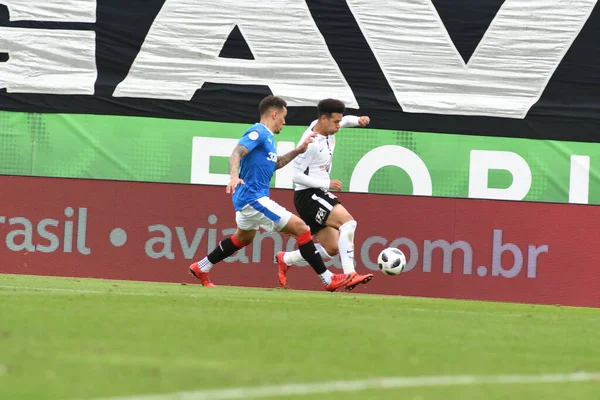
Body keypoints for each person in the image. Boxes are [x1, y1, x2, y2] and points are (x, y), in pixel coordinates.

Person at [189, 95, 370, 292]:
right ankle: (328, 279)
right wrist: (233, 176)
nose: (285, 122)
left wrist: (299, 150)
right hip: (253, 198)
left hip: (248, 199)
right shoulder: (258, 132)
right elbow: (236, 153)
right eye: (283, 117)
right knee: (302, 228)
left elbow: (276, 165)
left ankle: (202, 266)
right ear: (274, 114)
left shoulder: (268, 139)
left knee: (243, 238)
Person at [275, 98, 374, 291]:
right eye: (335, 122)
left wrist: (358, 120)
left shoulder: (326, 126)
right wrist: (326, 183)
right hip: (309, 195)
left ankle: (285, 258)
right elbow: (296, 176)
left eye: (339, 121)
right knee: (348, 223)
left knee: (333, 249)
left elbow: (345, 121)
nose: (339, 125)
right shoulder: (310, 143)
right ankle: (349, 274)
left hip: (315, 194)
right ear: (323, 118)